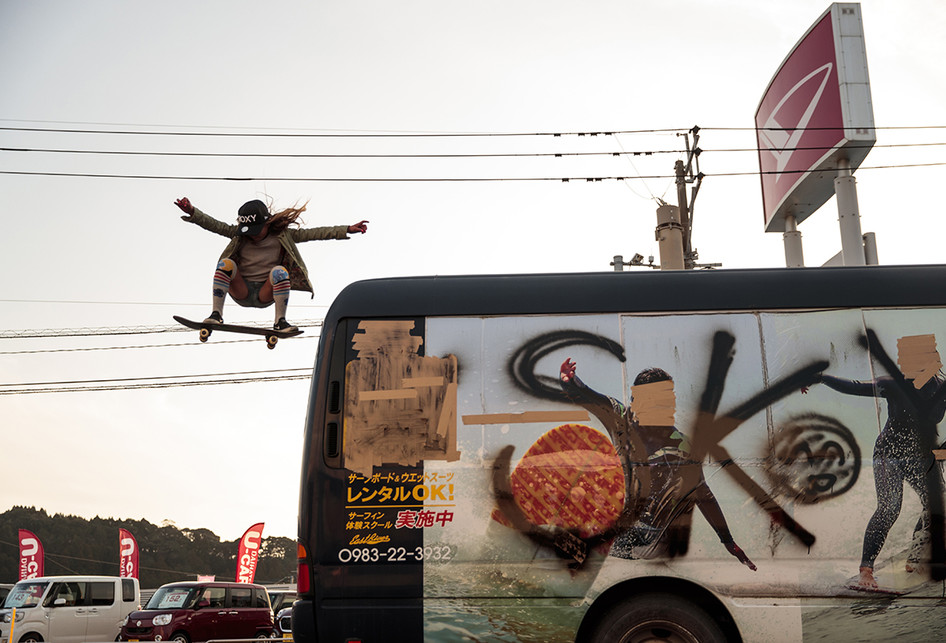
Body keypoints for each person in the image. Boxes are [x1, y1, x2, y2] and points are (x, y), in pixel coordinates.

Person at [559, 358, 757, 570]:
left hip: (647, 538)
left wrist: (727, 540)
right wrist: (569, 381)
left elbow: (702, 493)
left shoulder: (682, 446)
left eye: (670, 399)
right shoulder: (622, 420)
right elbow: (590, 397)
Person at [808, 334, 946, 589]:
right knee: (890, 507)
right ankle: (866, 572)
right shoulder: (895, 385)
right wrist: (820, 378)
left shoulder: (941, 387)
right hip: (889, 453)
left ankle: (915, 558)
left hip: (920, 454)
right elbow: (855, 386)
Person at [174, 196, 368, 332]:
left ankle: (280, 322)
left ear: (266, 224)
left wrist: (346, 229)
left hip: (265, 293)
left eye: (255, 230)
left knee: (280, 272)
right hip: (240, 290)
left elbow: (316, 233)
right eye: (247, 231)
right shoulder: (239, 235)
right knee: (226, 264)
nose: (251, 235)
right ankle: (216, 314)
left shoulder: (284, 236)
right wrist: (193, 212)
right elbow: (215, 225)